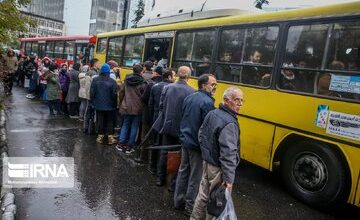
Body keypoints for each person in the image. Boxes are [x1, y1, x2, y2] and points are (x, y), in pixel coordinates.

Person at [191, 87, 244, 220]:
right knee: (216, 202)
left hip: (207, 162)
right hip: (218, 168)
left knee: (203, 195)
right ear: (226, 100)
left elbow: (201, 135)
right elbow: (229, 154)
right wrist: (229, 179)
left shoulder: (212, 113)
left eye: (242, 100)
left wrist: (206, 153)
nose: (240, 104)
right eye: (236, 100)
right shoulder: (229, 123)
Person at [174, 74, 217, 216]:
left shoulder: (190, 96)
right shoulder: (207, 102)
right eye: (212, 84)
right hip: (196, 145)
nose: (215, 87)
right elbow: (207, 128)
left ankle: (178, 201)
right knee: (195, 176)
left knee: (183, 171)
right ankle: (189, 206)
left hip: (185, 140)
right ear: (204, 85)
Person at [152, 66, 195, 187]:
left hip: (167, 125)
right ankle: (172, 183)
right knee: (178, 155)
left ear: (178, 75)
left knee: (164, 152)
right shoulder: (192, 91)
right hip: (182, 128)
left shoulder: (167, 87)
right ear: (188, 77)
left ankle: (160, 179)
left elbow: (161, 106)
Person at [148, 68, 176, 174]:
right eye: (174, 75)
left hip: (156, 119)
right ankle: (162, 171)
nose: (175, 78)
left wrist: (153, 119)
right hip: (167, 121)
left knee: (155, 144)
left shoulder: (155, 86)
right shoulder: (173, 88)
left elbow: (151, 104)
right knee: (164, 146)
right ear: (169, 77)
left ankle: (152, 166)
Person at [116, 64, 147, 154]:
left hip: (126, 106)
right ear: (141, 72)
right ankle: (130, 146)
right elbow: (144, 96)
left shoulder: (126, 80)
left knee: (125, 125)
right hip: (138, 108)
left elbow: (121, 93)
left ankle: (121, 144)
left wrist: (122, 102)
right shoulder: (143, 83)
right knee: (134, 127)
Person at [136, 65, 164, 163]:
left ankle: (143, 158)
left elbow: (143, 99)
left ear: (155, 73)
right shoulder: (167, 85)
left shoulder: (151, 84)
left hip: (148, 115)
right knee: (156, 139)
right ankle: (154, 161)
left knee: (145, 136)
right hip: (159, 117)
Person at [90, 64, 118, 145]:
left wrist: (93, 102)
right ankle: (110, 137)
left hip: (98, 104)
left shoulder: (95, 80)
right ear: (108, 71)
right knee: (110, 120)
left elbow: (92, 93)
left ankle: (100, 137)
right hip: (110, 105)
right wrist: (115, 104)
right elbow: (114, 94)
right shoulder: (113, 81)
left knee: (100, 119)